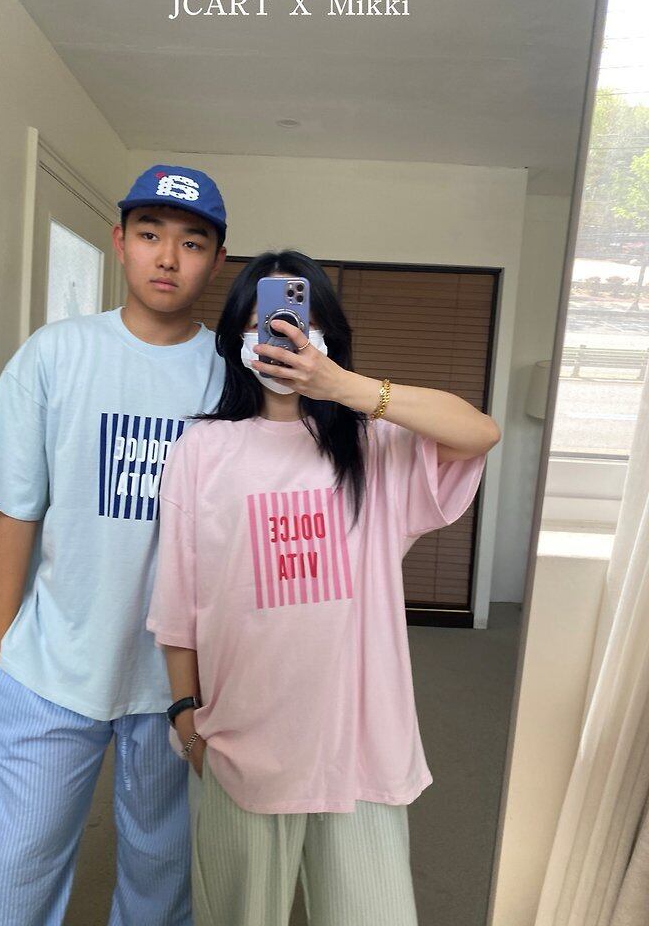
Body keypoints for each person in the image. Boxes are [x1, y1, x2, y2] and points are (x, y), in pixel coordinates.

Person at [147, 250, 501, 926]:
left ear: (328, 336)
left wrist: (344, 387)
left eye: (299, 322)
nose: (282, 337)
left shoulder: (376, 444)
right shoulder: (202, 450)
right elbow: (178, 602)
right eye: (262, 323)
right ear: (237, 338)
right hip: (242, 744)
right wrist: (186, 718)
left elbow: (481, 432)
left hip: (360, 747)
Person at [0, 165, 227, 926]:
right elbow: (15, 509)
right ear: (120, 242)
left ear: (215, 261)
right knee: (16, 872)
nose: (167, 257)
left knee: (162, 880)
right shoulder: (55, 354)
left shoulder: (233, 377)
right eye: (150, 235)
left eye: (192, 243)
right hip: (52, 666)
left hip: (179, 679)